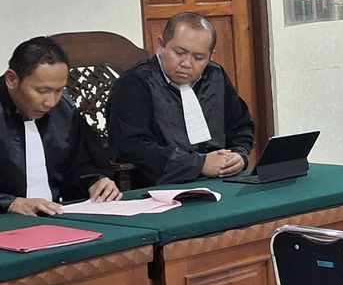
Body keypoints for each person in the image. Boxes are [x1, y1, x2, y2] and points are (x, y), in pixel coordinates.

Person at [108, 12, 254, 187]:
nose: (186, 63)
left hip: (223, 179)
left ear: (210, 56)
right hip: (161, 185)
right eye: (179, 53)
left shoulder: (215, 75)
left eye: (199, 57)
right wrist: (198, 164)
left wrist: (239, 154)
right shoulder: (134, 84)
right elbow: (132, 147)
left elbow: (240, 125)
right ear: (161, 45)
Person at [1, 37, 120, 215]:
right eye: (42, 91)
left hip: (56, 216)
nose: (51, 102)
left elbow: (78, 165)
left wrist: (95, 181)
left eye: (59, 90)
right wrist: (10, 203)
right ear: (12, 79)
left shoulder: (64, 110)